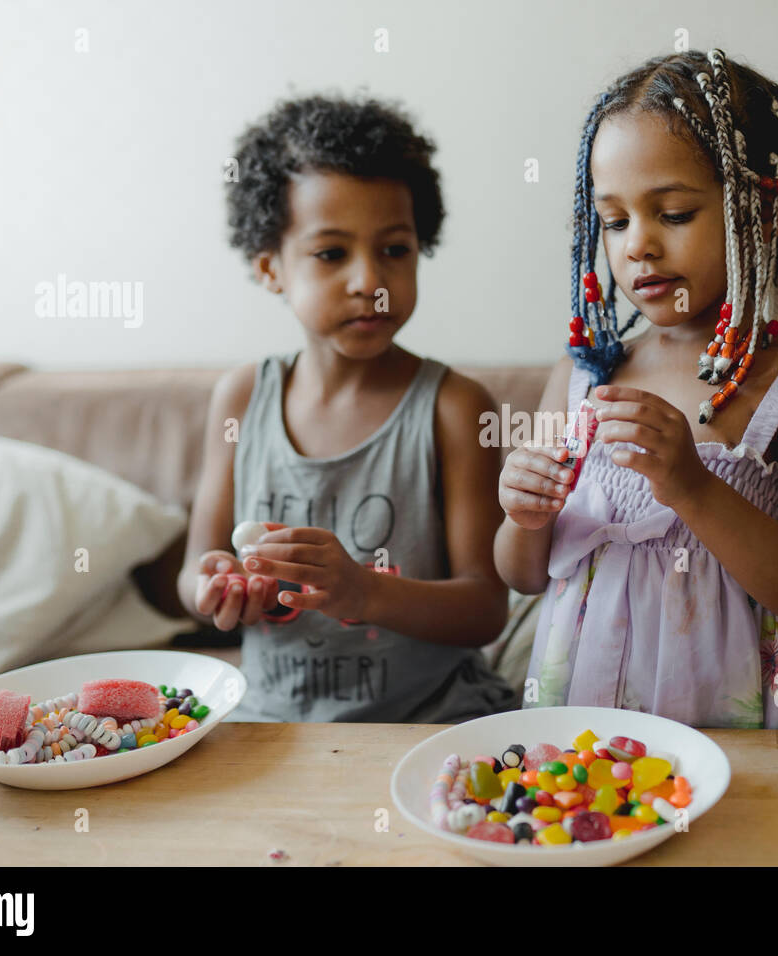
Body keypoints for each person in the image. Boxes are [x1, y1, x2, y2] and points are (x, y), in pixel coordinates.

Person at [493, 50, 778, 863]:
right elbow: (523, 573)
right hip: (589, 705)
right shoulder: (583, 373)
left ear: (764, 213)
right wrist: (521, 512)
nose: (639, 247)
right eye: (616, 219)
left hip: (736, 707)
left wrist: (692, 485)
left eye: (672, 212)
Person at [178, 93, 516, 723]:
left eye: (395, 250)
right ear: (270, 268)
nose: (370, 280)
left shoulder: (454, 408)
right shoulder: (242, 398)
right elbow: (194, 573)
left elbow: (485, 608)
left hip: (428, 721)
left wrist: (364, 590)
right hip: (269, 725)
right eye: (331, 254)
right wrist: (218, 586)